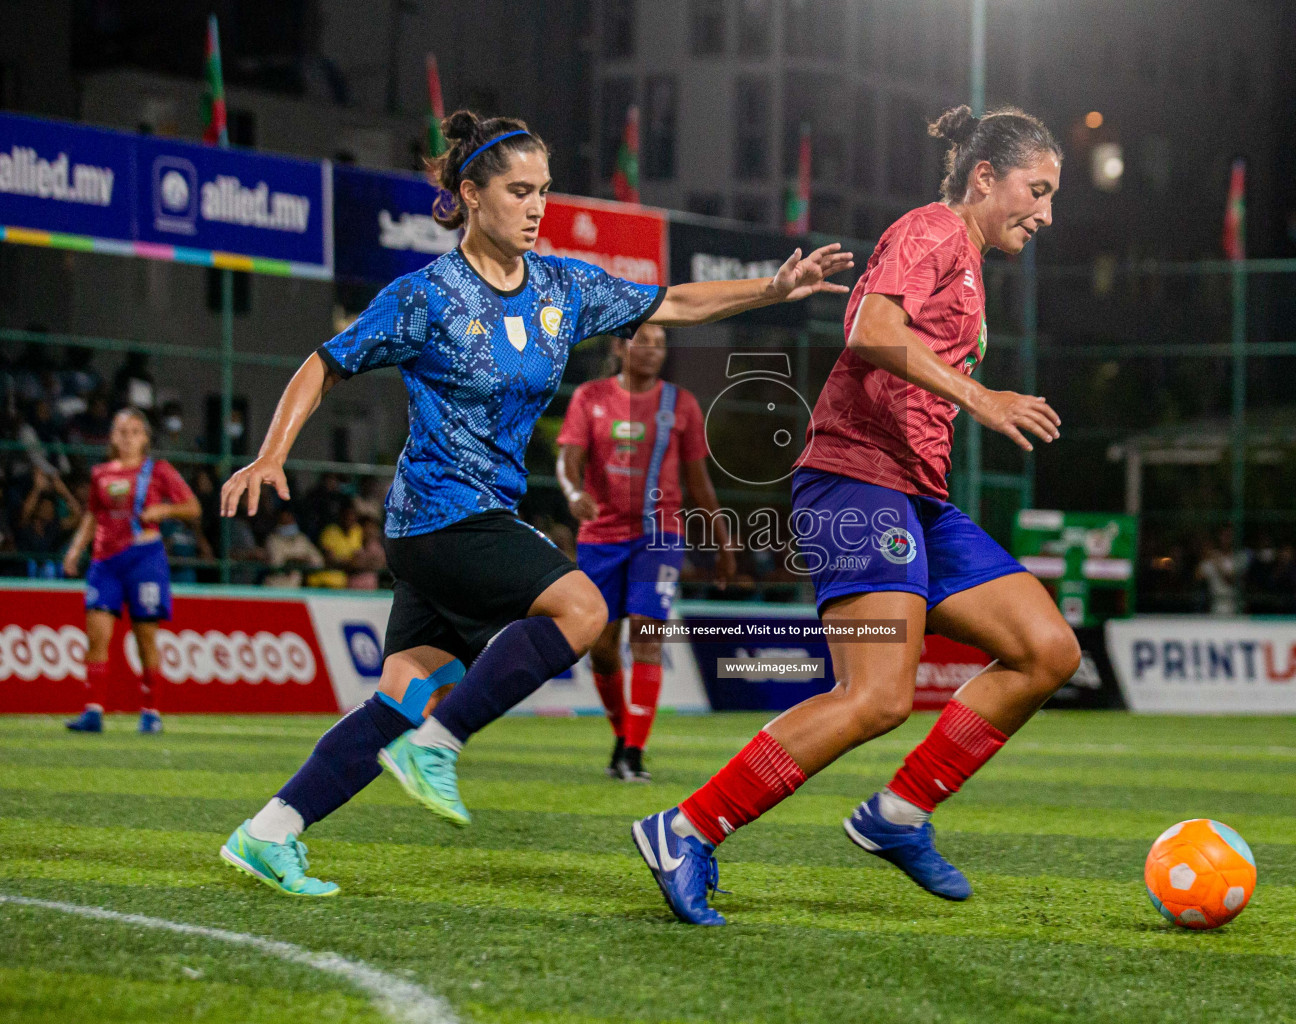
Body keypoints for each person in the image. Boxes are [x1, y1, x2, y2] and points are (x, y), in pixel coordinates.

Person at [215, 110, 852, 896]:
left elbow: (676, 304)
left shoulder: (563, 287)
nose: (536, 205)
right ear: (471, 196)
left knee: (400, 695)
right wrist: (271, 453)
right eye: (519, 190)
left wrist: (773, 288)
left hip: (466, 522)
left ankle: (269, 831)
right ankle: (442, 744)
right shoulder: (426, 297)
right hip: (444, 515)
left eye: (544, 190)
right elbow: (324, 363)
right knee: (582, 612)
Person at [631, 105, 1078, 925]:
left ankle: (899, 814)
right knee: (876, 696)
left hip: (915, 496)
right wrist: (980, 395)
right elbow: (869, 327)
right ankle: (685, 828)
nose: (1047, 213)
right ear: (986, 177)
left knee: (1047, 649)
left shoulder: (971, 261)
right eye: (1037, 190)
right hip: (854, 481)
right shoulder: (934, 229)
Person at [556, 324, 733, 782]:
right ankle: (622, 735)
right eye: (643, 341)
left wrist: (721, 537)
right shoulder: (589, 396)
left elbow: (698, 479)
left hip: (661, 535)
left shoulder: (681, 405)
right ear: (619, 347)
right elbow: (568, 458)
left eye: (661, 343)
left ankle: (634, 751)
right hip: (600, 537)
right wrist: (573, 492)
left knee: (648, 636)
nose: (653, 351)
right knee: (601, 645)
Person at [60, 409, 200, 734]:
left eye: (135, 431)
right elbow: (92, 516)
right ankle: (93, 711)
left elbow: (192, 508)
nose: (127, 436)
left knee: (145, 638)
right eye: (121, 430)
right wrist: (75, 550)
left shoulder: (159, 471)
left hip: (144, 560)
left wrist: (165, 509)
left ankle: (151, 712)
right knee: (97, 636)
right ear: (112, 436)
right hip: (105, 562)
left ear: (145, 438)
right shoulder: (101, 474)